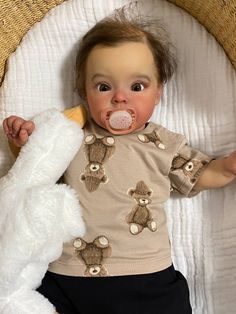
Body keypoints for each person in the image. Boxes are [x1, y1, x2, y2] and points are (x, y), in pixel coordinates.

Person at [2, 7, 236, 314]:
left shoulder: (163, 143)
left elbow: (200, 174)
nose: (120, 98)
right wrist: (22, 140)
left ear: (158, 93)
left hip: (147, 276)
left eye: (137, 87)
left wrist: (226, 167)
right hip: (66, 274)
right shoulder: (69, 132)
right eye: (103, 87)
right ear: (83, 91)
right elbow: (37, 168)